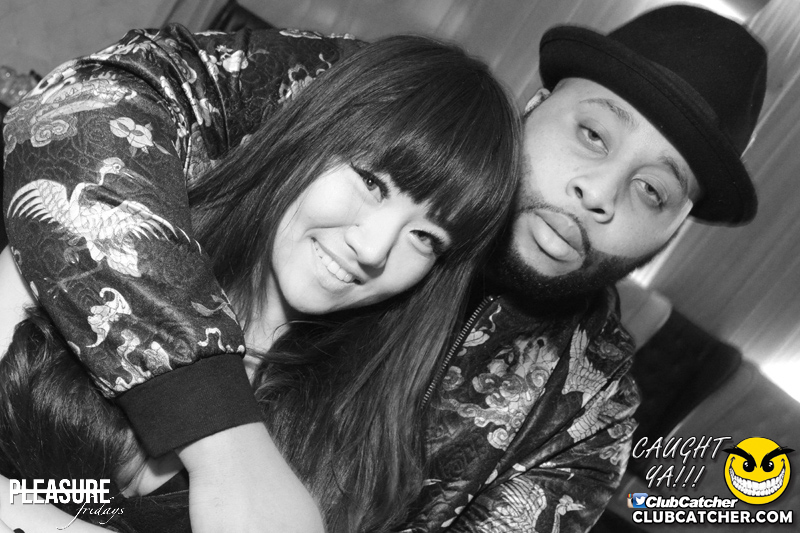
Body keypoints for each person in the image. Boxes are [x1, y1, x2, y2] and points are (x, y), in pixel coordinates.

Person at [1, 4, 767, 533]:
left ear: (675, 228)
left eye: (652, 191)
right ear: (537, 105)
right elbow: (84, 107)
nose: (597, 192)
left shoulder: (587, 413)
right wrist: (217, 429)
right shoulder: (380, 102)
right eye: (593, 135)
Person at [0, 34, 519, 533]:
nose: (374, 248)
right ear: (311, 136)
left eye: (426, 237)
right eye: (371, 182)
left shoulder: (360, 455)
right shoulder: (94, 250)